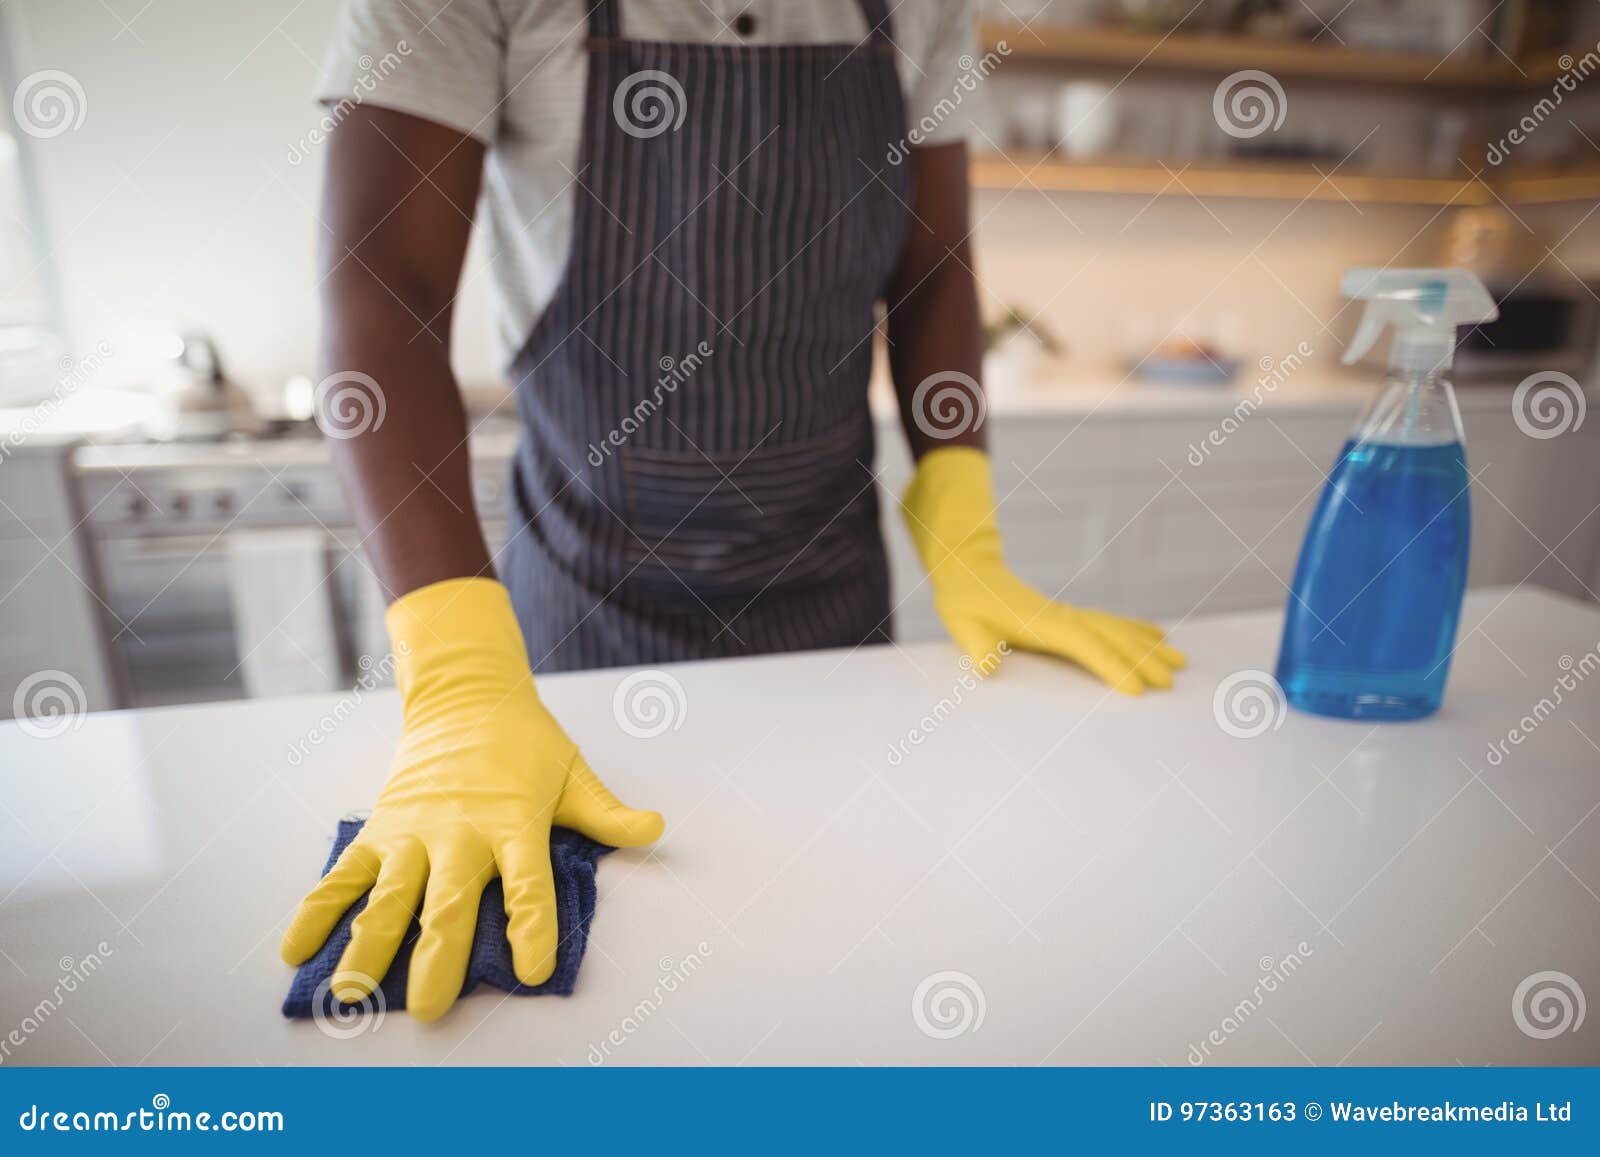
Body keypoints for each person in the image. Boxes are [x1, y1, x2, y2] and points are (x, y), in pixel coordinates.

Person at [280, 0, 1185, 1021]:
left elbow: (930, 271)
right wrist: (456, 669)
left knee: (840, 961)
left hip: (832, 610)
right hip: (581, 619)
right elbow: (383, 290)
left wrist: (965, 528)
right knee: (612, 1003)